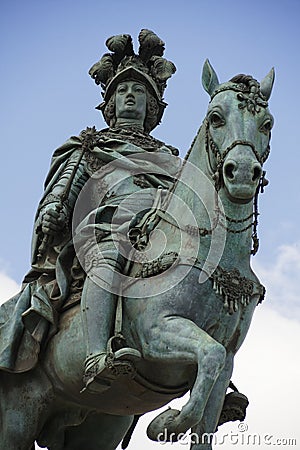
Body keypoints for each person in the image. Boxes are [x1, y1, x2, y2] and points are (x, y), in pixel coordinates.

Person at [0, 29, 180, 392]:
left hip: (160, 233)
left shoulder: (173, 159)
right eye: (123, 91)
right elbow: (62, 195)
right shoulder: (88, 146)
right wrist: (52, 211)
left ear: (152, 105)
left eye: (140, 91)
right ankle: (97, 356)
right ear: (111, 104)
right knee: (109, 255)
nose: (131, 96)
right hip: (107, 229)